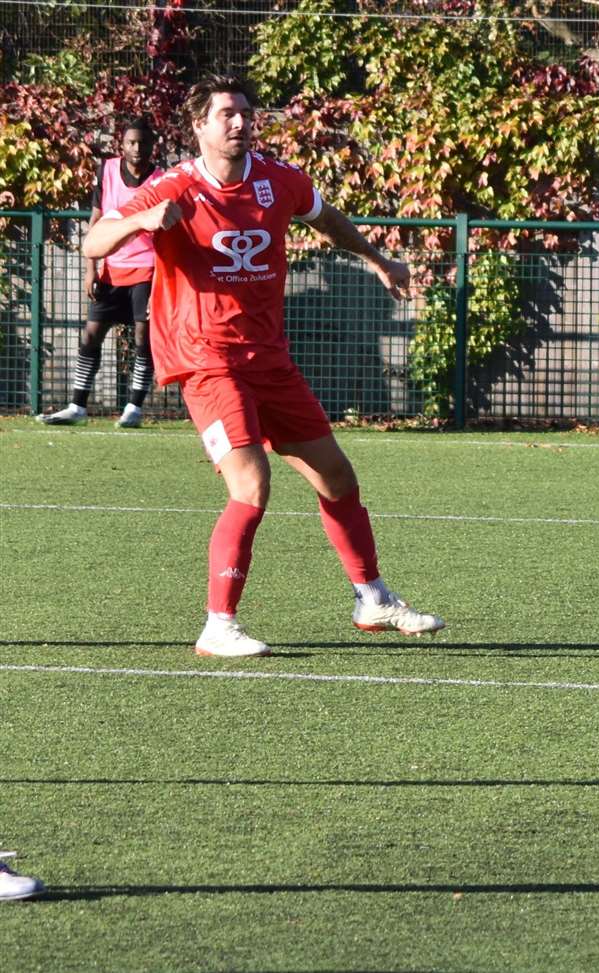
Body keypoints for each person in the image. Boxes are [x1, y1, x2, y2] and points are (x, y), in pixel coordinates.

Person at [81, 75, 443, 658]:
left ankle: (370, 595)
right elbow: (94, 242)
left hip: (269, 358)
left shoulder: (279, 180)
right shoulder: (173, 187)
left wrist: (377, 260)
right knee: (251, 484)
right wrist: (140, 223)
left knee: (337, 476)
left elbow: (326, 220)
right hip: (205, 361)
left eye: (246, 113)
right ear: (198, 125)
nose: (240, 122)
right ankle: (218, 624)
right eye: (225, 114)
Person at [37, 116, 163, 428]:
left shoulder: (162, 179)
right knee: (91, 334)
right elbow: (96, 220)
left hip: (147, 268)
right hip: (110, 267)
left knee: (143, 336)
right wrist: (90, 268)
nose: (137, 148)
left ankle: (134, 407)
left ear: (152, 147)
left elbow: (166, 235)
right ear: (122, 144)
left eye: (143, 143)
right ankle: (77, 405)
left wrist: (161, 282)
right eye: (131, 142)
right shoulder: (106, 170)